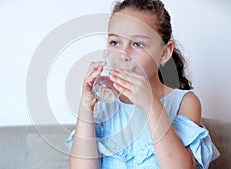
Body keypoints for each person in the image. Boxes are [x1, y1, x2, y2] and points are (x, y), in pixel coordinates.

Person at [65, 0, 220, 169]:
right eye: (115, 42)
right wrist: (85, 108)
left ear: (164, 53)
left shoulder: (184, 102)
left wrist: (151, 105)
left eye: (138, 44)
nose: (123, 55)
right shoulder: (102, 103)